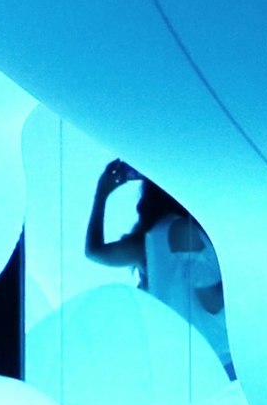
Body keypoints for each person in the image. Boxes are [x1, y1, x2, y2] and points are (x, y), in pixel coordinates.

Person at [87, 159, 232, 373]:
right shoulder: (185, 231)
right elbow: (212, 302)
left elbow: (95, 252)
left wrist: (101, 194)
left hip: (177, 355)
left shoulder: (148, 241)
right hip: (217, 353)